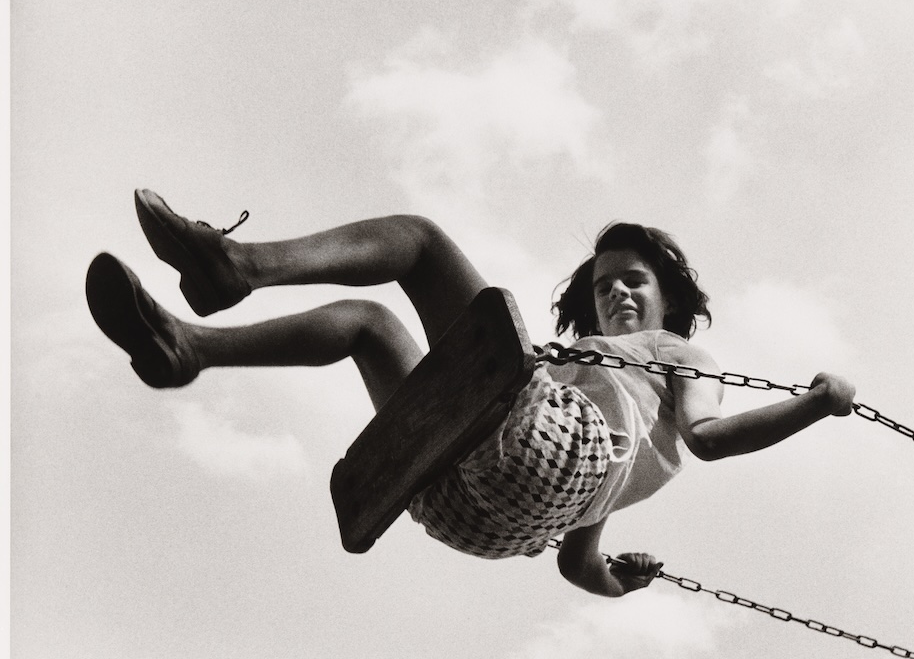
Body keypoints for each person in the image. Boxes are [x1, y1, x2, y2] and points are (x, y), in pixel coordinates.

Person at [86, 191, 855, 597]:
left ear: (669, 298)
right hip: (464, 507)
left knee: (419, 243)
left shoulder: (677, 350)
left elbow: (711, 438)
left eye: (634, 279)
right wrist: (622, 582)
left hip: (537, 461)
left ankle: (237, 266)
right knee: (369, 325)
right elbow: (576, 566)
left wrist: (815, 404)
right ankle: (188, 348)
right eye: (601, 284)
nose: (616, 291)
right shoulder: (608, 451)